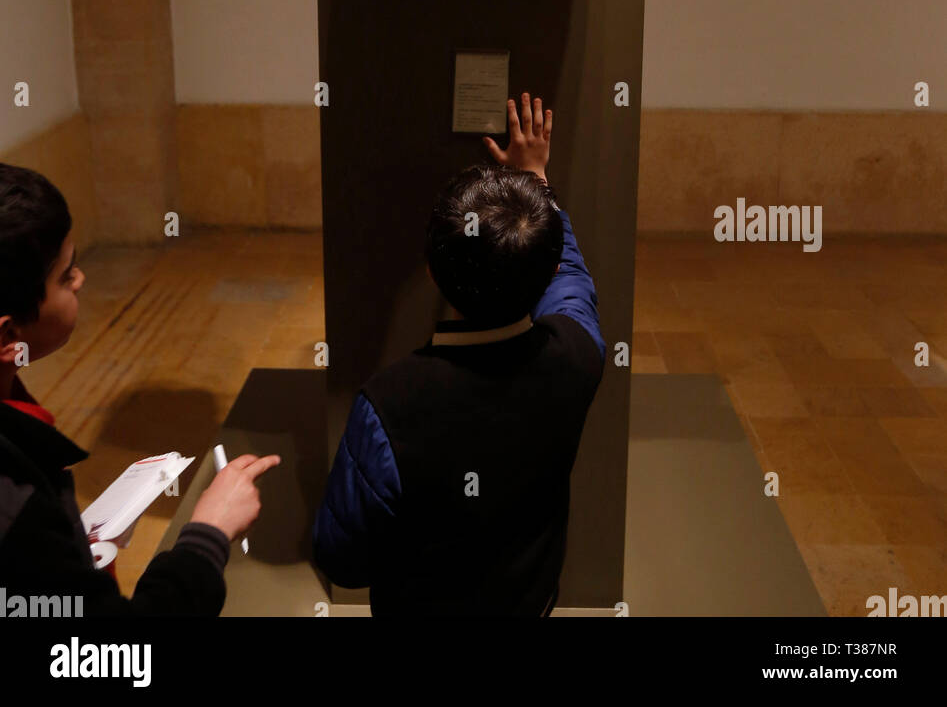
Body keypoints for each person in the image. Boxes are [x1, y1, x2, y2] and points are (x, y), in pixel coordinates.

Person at [313, 91, 605, 616]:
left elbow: (344, 558)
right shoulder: (577, 357)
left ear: (432, 274)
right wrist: (535, 183)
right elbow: (571, 282)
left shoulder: (387, 404)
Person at [0, 163, 279, 616]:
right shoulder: (18, 511)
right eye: (65, 275)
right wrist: (207, 534)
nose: (82, 279)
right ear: (8, 338)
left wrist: (72, 545)